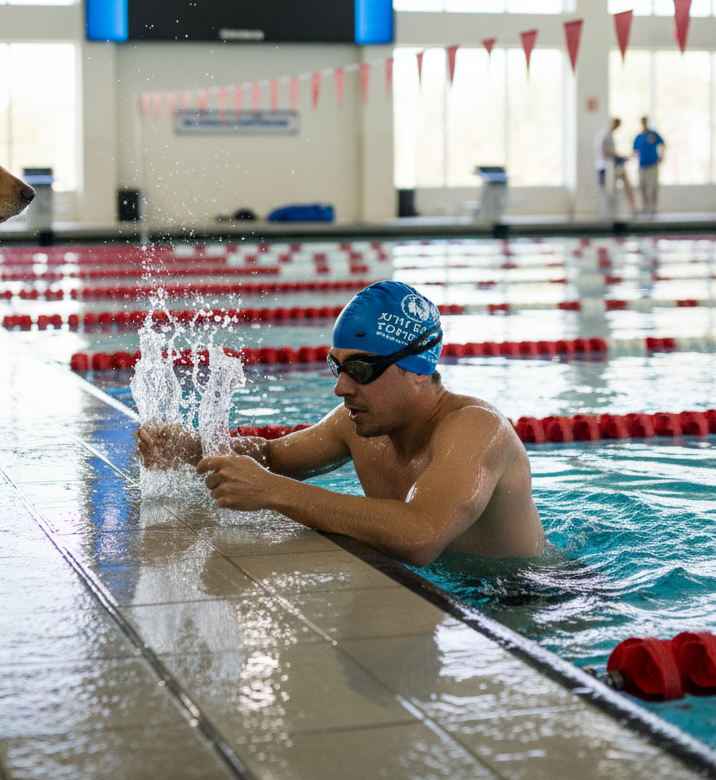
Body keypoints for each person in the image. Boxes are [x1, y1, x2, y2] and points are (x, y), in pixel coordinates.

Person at [137, 281, 545, 567]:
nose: (340, 387)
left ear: (418, 370)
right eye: (338, 365)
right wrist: (194, 447)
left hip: (528, 599)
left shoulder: (476, 429)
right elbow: (274, 455)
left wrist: (272, 492)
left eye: (361, 370)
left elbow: (421, 536)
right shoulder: (358, 426)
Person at [592, 115, 636, 215]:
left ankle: (631, 207)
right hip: (605, 167)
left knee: (620, 183)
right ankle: (605, 212)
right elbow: (603, 151)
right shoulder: (604, 134)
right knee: (604, 190)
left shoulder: (610, 135)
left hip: (610, 165)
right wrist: (616, 155)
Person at [633, 116, 664, 217]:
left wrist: (662, 156)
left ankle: (653, 207)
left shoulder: (653, 135)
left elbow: (663, 144)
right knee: (643, 187)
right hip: (642, 166)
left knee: (653, 186)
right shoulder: (638, 137)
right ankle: (645, 206)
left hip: (652, 165)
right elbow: (634, 151)